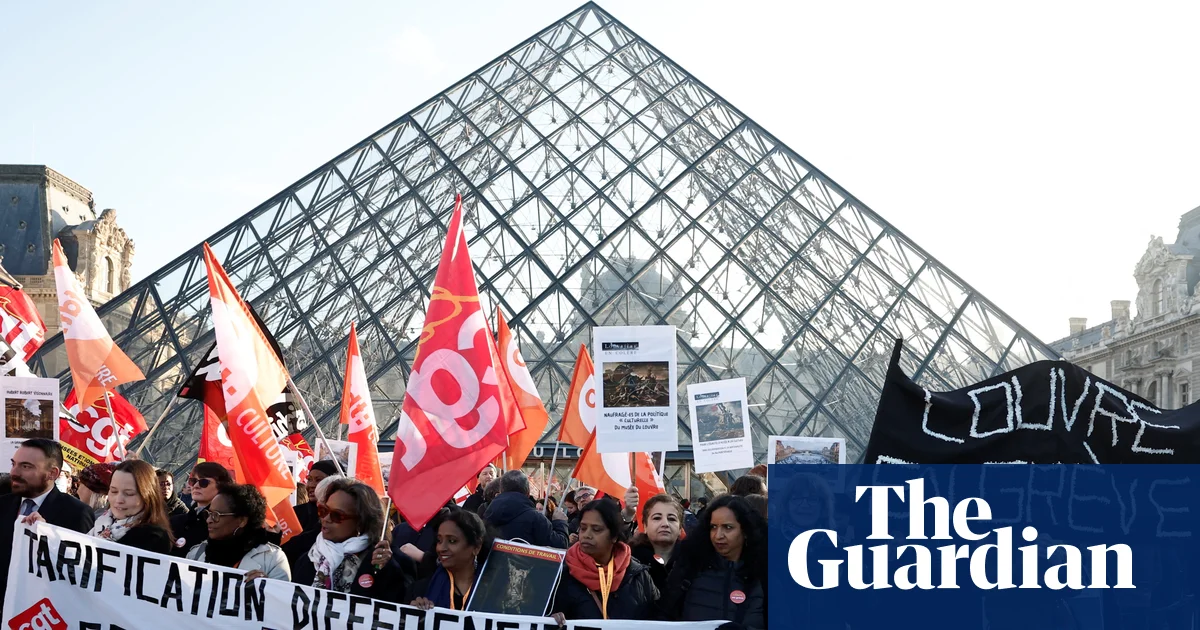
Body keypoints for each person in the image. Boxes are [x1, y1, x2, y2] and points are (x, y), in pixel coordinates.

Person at [0, 439, 95, 612]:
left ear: (52, 473)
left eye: (26, 466)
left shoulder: (77, 514)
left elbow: (81, 573)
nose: (14, 472)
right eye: (14, 464)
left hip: (44, 613)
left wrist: (48, 538)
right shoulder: (3, 504)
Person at [290, 477, 415, 602]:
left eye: (336, 515)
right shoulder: (309, 558)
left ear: (360, 522)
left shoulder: (385, 561)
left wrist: (387, 570)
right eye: (323, 510)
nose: (326, 519)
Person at [661, 494, 767, 629]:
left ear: (746, 531)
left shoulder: (764, 576)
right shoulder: (690, 568)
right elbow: (664, 615)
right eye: (713, 527)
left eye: (728, 527)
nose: (718, 535)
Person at [552, 500, 658, 622]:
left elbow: (656, 619)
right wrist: (550, 622)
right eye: (583, 528)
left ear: (614, 536)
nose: (587, 535)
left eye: (596, 529)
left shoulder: (638, 575)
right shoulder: (560, 573)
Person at [187, 484, 290, 581]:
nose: (208, 520)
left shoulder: (273, 559)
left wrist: (264, 588)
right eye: (208, 514)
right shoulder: (196, 554)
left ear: (242, 521)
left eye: (216, 515)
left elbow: (281, 593)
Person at [72, 460, 173, 554]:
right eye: (114, 491)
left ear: (148, 496)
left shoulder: (154, 538)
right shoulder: (101, 522)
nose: (119, 500)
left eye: (129, 494)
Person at [407, 508, 488, 610]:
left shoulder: (495, 592)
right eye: (439, 540)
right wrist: (413, 614)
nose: (441, 548)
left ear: (476, 547)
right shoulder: (420, 591)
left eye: (452, 541)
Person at [483, 470, 568, 548]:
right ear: (528, 492)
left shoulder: (486, 513)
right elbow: (559, 546)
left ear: (501, 491)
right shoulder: (536, 519)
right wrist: (560, 522)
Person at [169, 461, 233, 556]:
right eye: (193, 481)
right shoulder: (174, 522)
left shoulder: (226, 526)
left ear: (221, 487)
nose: (196, 486)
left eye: (204, 482)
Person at [630, 494, 684, 593]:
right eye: (657, 518)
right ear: (645, 526)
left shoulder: (693, 562)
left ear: (680, 528)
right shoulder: (629, 562)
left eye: (671, 519)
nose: (665, 524)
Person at [296, 460, 339, 532]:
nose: (311, 485)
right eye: (309, 479)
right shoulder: (295, 513)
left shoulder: (341, 516)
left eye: (318, 480)